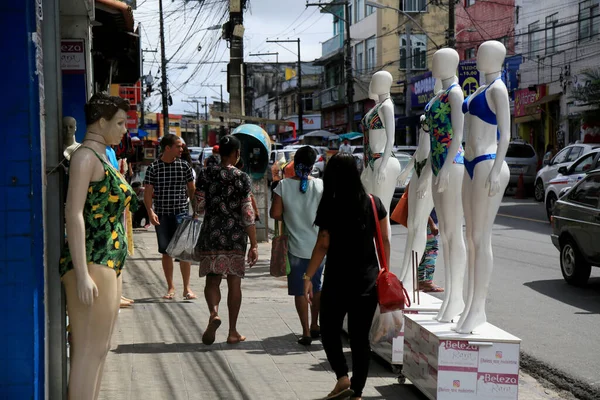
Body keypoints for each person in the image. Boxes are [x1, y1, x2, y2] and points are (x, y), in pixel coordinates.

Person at [304, 153, 389, 400]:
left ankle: (342, 377)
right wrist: (385, 269)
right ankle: (357, 393)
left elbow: (322, 244)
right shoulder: (374, 203)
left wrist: (308, 277)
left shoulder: (330, 204)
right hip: (367, 280)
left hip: (337, 281)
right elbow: (383, 239)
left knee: (329, 329)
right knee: (360, 338)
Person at [194, 135, 259, 345]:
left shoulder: (205, 174)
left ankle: (214, 314)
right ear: (237, 153)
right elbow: (247, 212)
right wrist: (255, 244)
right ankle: (232, 332)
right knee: (234, 282)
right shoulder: (242, 177)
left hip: (211, 234)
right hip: (236, 237)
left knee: (212, 280)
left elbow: (199, 207)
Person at [270, 146, 324, 346]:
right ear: (313, 165)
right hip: (318, 248)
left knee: (300, 290)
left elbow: (275, 214)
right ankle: (316, 324)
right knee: (316, 287)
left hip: (294, 249)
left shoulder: (282, 186)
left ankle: (305, 332)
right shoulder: (320, 185)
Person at [143, 134, 197, 300]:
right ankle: (170, 287)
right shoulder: (154, 168)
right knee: (166, 252)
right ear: (168, 148)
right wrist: (150, 211)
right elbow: (148, 193)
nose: (182, 149)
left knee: (184, 253)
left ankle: (187, 288)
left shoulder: (184, 166)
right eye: (178, 146)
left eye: (181, 147)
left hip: (181, 214)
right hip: (162, 215)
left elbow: (192, 190)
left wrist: (195, 211)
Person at [418, 209, 444, 292]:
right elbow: (425, 207)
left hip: (424, 223)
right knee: (431, 252)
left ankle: (421, 281)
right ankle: (427, 282)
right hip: (428, 223)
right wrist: (432, 223)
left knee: (424, 252)